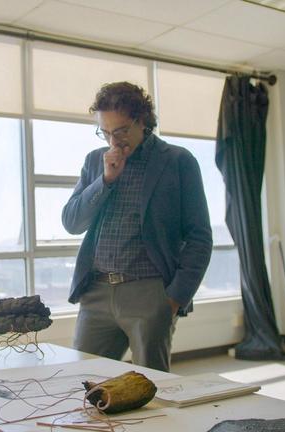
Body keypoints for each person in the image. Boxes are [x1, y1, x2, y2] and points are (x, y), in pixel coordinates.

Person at [62, 81, 212, 372]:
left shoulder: (178, 161)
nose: (113, 142)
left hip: (150, 294)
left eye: (120, 132)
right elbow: (71, 222)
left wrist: (173, 299)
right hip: (96, 292)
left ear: (142, 121)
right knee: (82, 380)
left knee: (152, 389)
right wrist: (104, 180)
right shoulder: (95, 161)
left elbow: (200, 237)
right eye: (104, 133)